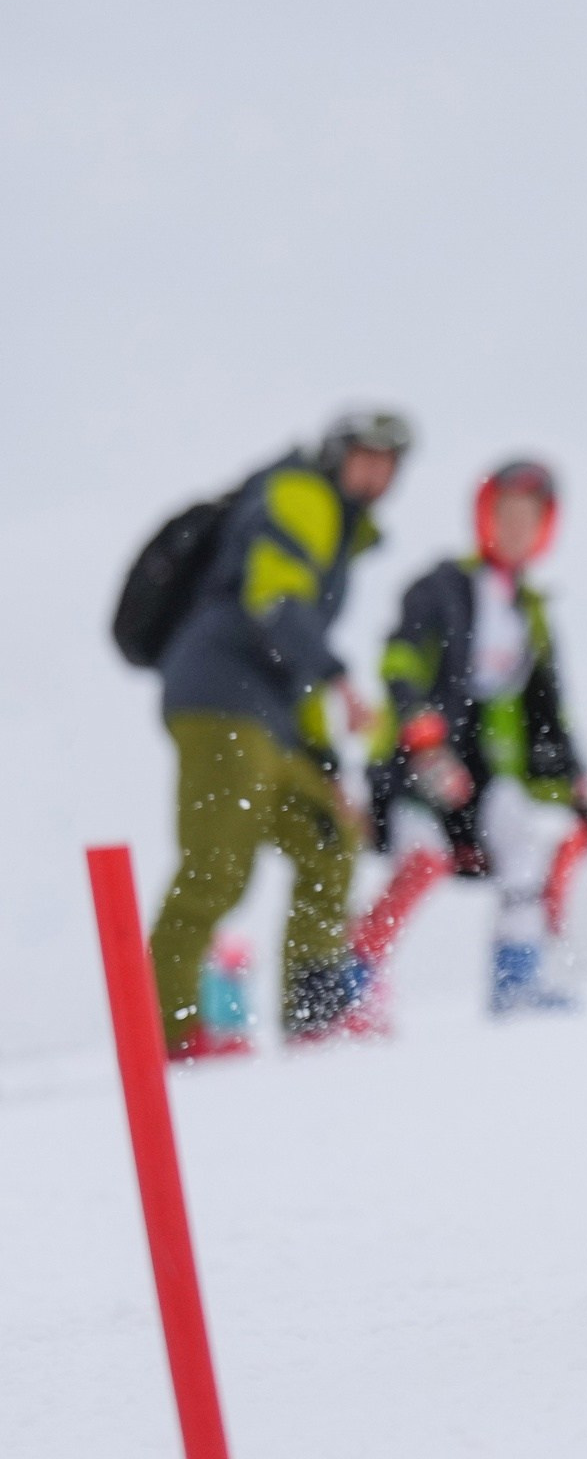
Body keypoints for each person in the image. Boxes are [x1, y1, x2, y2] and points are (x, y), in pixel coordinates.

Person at [149, 409, 410, 1056]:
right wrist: (340, 677)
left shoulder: (339, 529)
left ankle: (313, 1012)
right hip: (218, 699)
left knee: (331, 835)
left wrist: (324, 763)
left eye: (389, 461)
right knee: (217, 864)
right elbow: (275, 596)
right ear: (336, 453)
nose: (377, 471)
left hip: (271, 714)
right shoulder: (302, 494)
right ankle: (169, 1030)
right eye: (366, 455)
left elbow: (297, 657)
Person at [352, 460, 587, 1015]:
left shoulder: (529, 613)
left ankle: (518, 981)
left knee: (524, 844)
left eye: (528, 519)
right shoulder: (441, 587)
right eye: (505, 514)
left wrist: (575, 777)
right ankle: (354, 982)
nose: (515, 528)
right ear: (484, 516)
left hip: (485, 773)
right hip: (418, 759)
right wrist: (417, 723)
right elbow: (400, 657)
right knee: (424, 859)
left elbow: (549, 709)